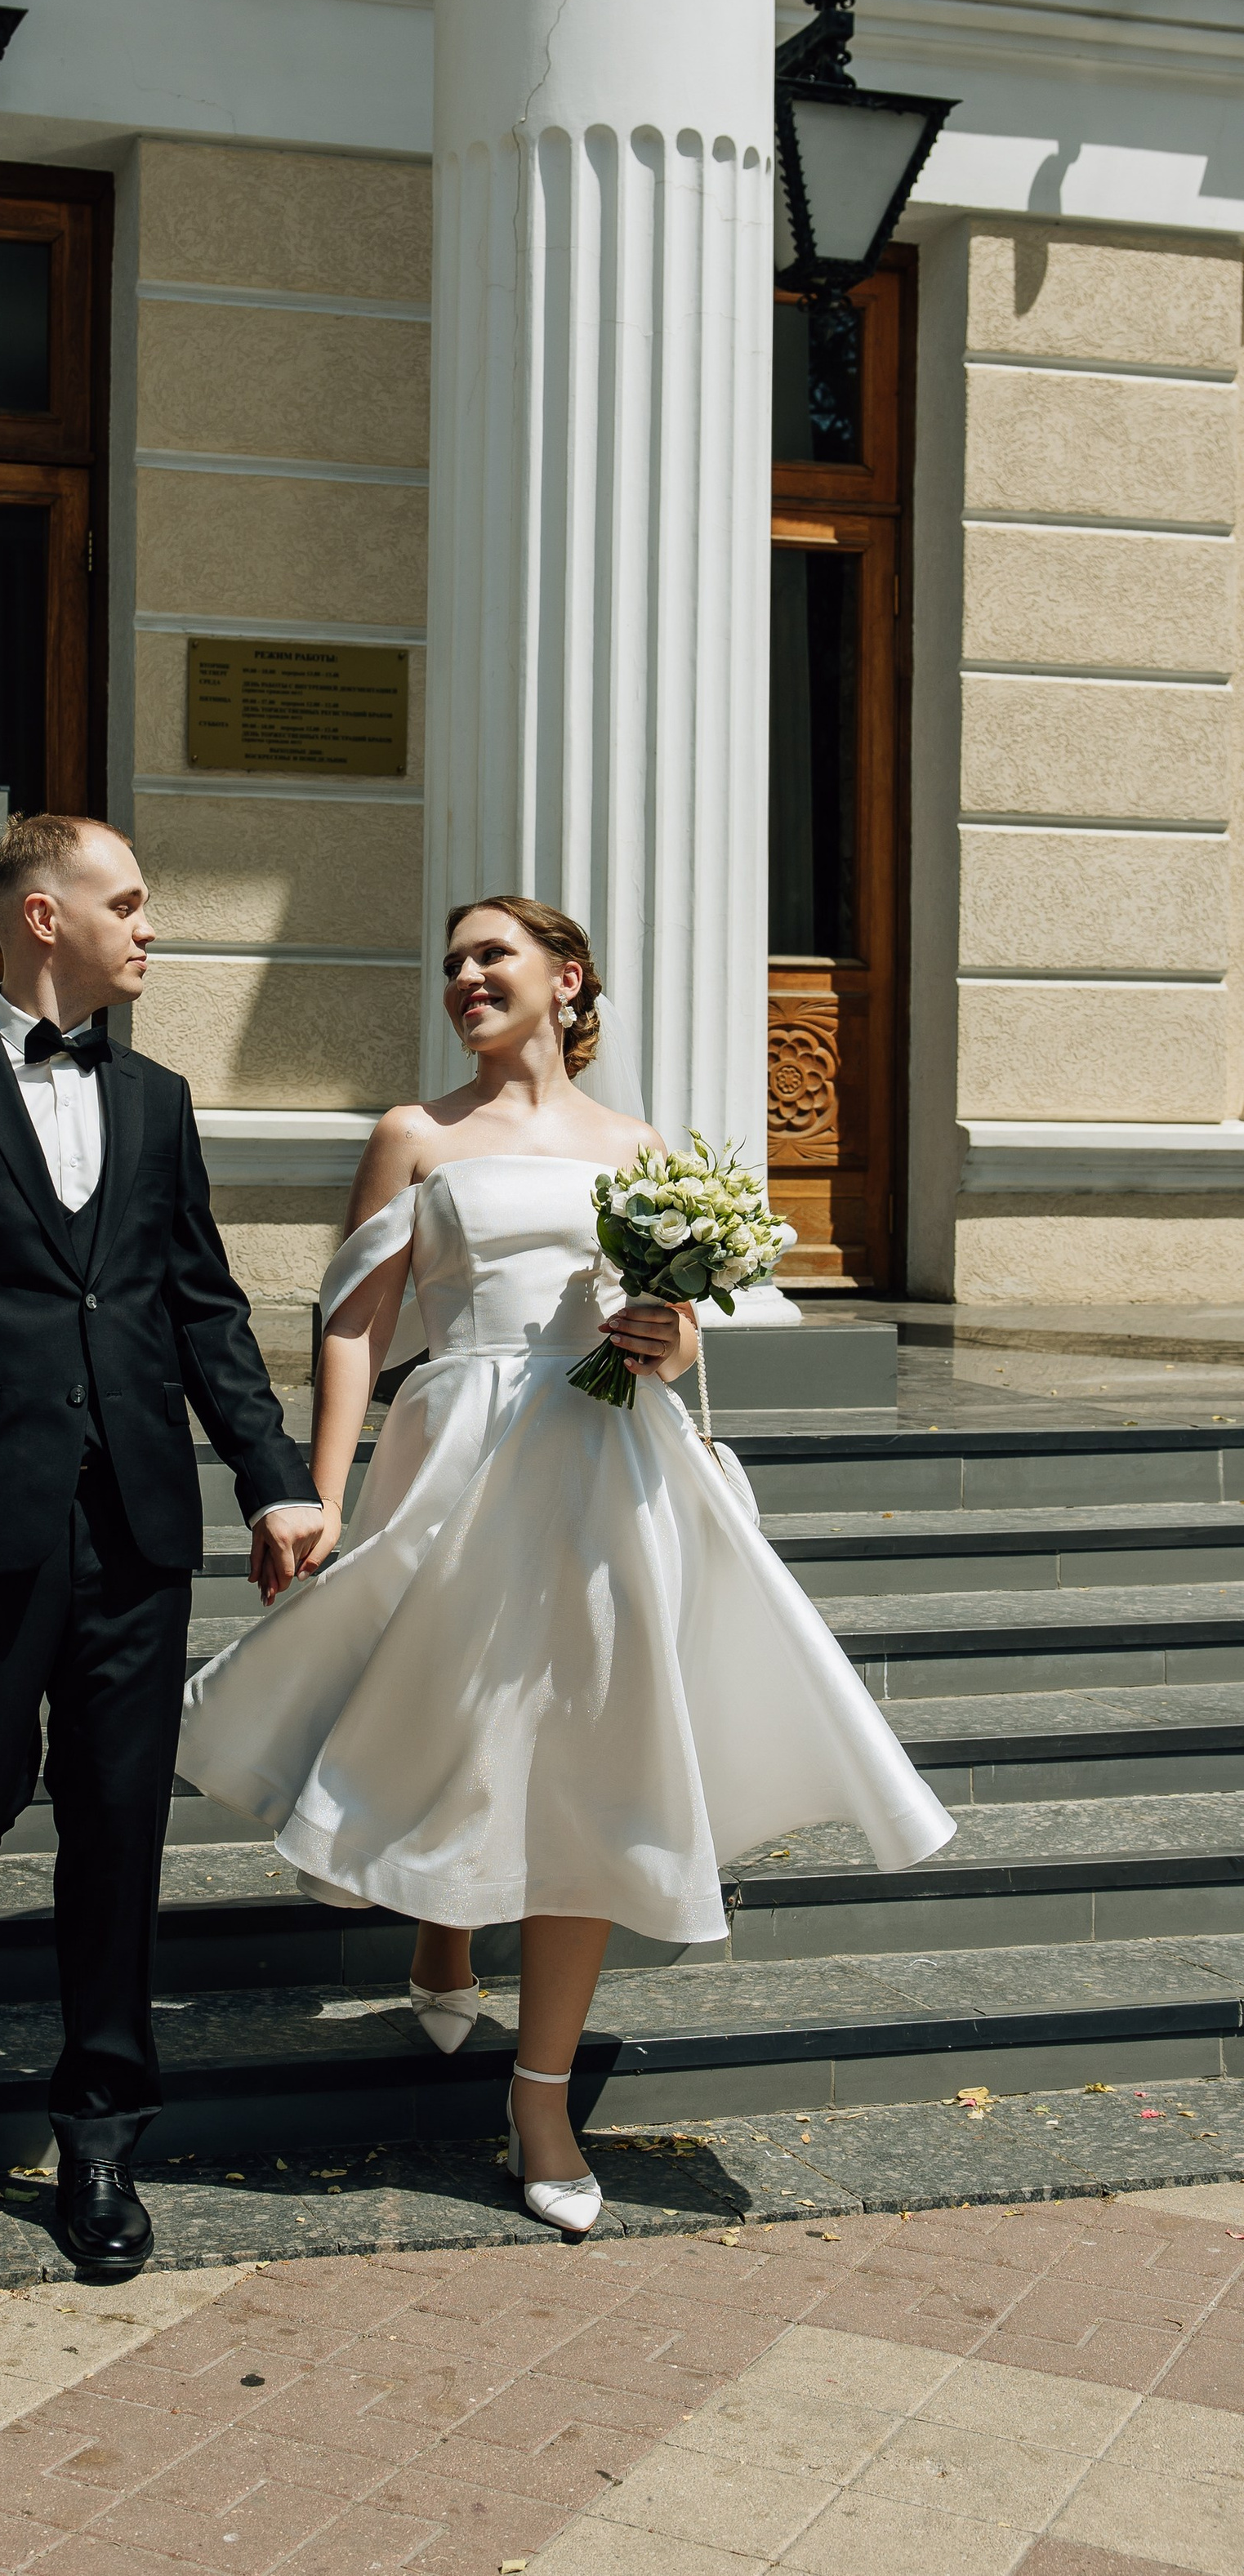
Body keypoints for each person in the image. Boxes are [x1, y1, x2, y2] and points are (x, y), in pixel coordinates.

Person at [179, 895, 956, 2237]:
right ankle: (440, 1925)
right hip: (460, 1447)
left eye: (494, 956)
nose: (466, 978)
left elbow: (683, 1337)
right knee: (453, 1716)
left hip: (608, 1459)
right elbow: (355, 1325)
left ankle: (540, 2097)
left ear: (566, 979)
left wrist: (671, 1338)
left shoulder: (638, 1145)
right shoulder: (415, 1136)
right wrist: (318, 1493)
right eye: (452, 965)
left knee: (591, 1753)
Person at [0, 813, 328, 2273]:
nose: (152, 927)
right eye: (131, 902)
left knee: (117, 1820)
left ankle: (101, 2126)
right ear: (44, 917)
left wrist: (272, 1477)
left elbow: (203, 1308)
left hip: (136, 1524)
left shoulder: (159, 1100)